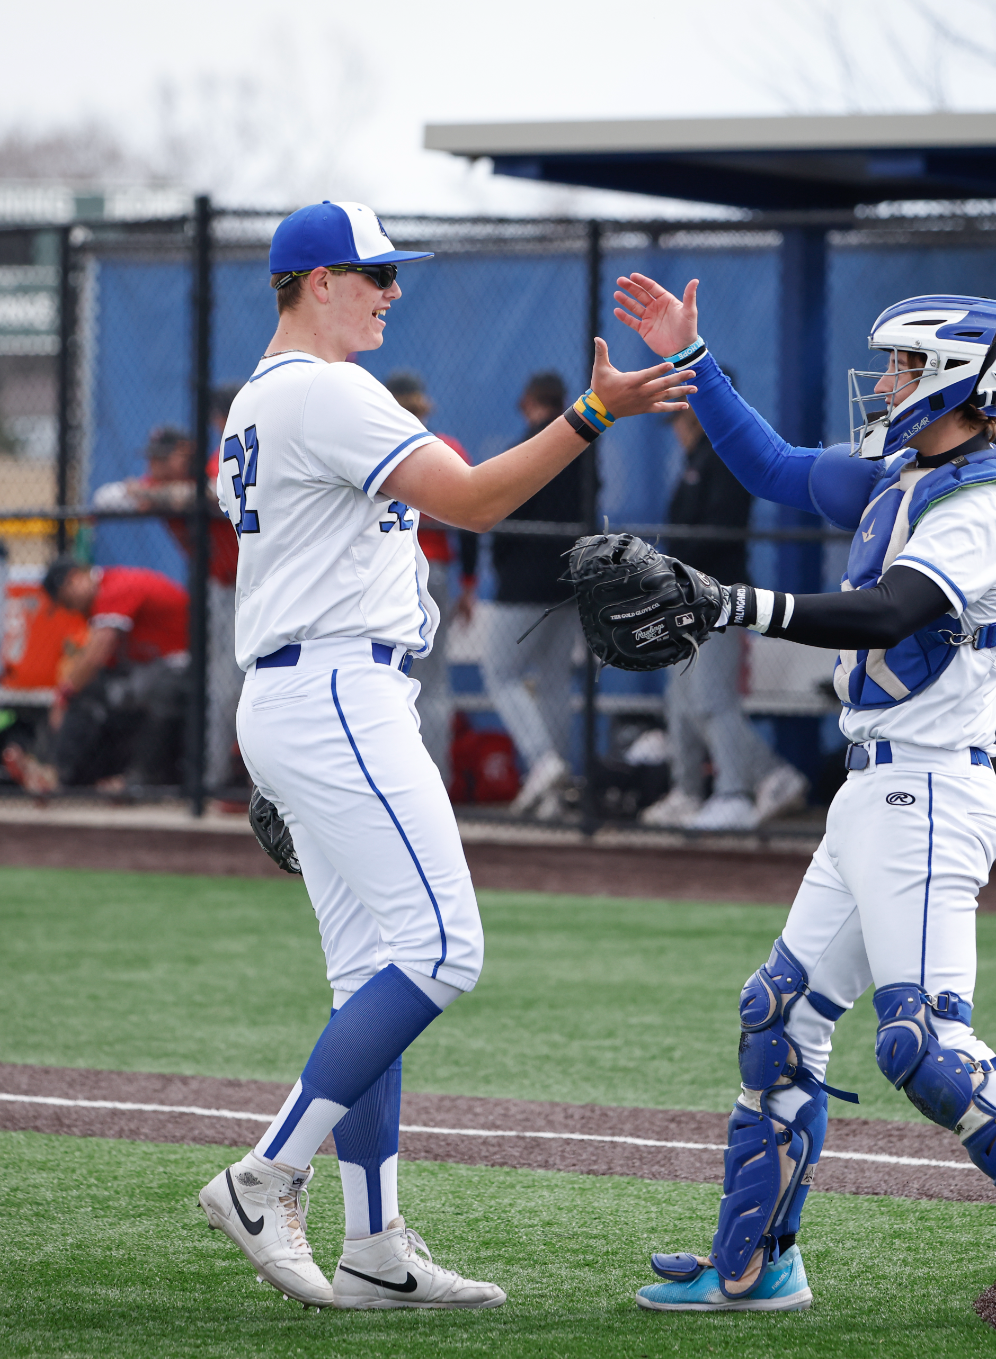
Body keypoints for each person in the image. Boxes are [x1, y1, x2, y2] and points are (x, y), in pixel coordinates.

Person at [612, 272, 996, 1328]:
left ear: (959, 378)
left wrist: (735, 603)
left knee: (919, 1045)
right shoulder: (901, 466)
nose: (883, 382)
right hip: (873, 793)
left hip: (927, 793)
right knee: (775, 1020)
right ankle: (755, 1268)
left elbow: (890, 610)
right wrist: (694, 362)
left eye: (904, 365)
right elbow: (774, 466)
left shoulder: (982, 501)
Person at [197, 201, 693, 1310]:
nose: (390, 290)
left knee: (372, 973)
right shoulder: (323, 389)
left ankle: (374, 1249)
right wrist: (592, 413)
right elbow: (472, 501)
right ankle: (263, 1175)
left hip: (299, 687)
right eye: (372, 272)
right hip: (334, 688)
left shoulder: (261, 399)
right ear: (314, 280)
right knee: (442, 949)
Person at [639, 386, 810, 831]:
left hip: (718, 598)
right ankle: (690, 791)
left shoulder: (724, 458)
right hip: (684, 599)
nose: (675, 429)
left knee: (712, 699)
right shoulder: (695, 461)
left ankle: (739, 790)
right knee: (681, 701)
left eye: (679, 418)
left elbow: (716, 532)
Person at [92, 421, 247, 799]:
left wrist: (185, 494)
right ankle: (215, 780)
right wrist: (163, 494)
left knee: (236, 688)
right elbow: (106, 498)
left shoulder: (214, 469)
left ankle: (230, 775)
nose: (155, 467)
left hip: (257, 585)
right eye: (153, 460)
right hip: (220, 590)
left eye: (165, 459)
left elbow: (218, 491)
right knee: (219, 688)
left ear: (186, 455)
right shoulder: (156, 486)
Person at [479, 371, 590, 818]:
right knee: (554, 682)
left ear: (529, 401)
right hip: (569, 582)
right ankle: (555, 788)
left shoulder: (528, 443)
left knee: (501, 674)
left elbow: (501, 511)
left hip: (523, 583)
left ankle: (544, 763)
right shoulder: (580, 446)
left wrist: (502, 565)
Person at [16, 559, 190, 794]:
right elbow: (103, 666)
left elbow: (96, 654)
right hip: (153, 671)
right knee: (93, 695)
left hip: (183, 667)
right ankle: (52, 768)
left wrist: (63, 695)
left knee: (90, 692)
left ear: (75, 579)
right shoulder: (101, 599)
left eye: (66, 600)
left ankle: (127, 780)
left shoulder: (115, 586)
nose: (70, 609)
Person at [382, 370, 477, 785]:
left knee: (391, 677)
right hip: (432, 571)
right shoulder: (444, 447)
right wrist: (470, 583)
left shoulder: (377, 444)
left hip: (388, 570)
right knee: (432, 683)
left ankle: (405, 778)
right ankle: (432, 779)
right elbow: (472, 520)